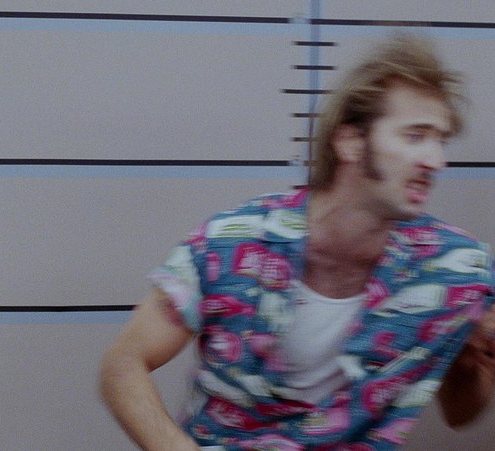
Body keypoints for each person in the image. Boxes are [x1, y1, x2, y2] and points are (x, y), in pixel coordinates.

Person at [98, 34, 495, 450]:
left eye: (441, 140)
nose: (436, 161)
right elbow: (123, 364)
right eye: (415, 136)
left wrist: (475, 360)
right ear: (350, 142)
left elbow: (460, 413)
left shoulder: (457, 270)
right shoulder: (232, 245)